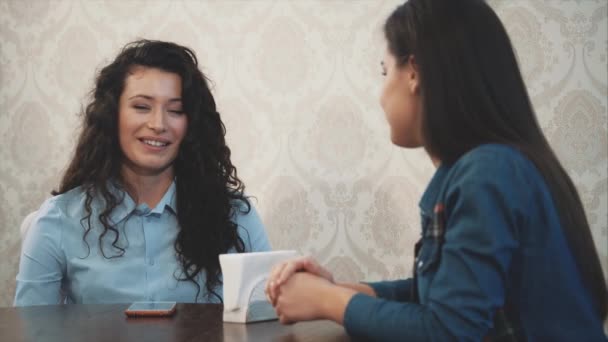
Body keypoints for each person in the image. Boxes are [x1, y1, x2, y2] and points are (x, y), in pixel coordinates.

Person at [265, 0, 608, 340]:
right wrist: (334, 289)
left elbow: (446, 330)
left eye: (385, 72)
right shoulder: (499, 166)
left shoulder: (487, 174)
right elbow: (440, 296)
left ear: (414, 72)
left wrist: (329, 301)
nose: (381, 95)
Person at [15, 40, 271, 306]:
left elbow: (268, 324)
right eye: (141, 107)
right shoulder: (56, 220)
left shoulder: (236, 216)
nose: (158, 124)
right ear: (112, 115)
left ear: (191, 124)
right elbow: (32, 330)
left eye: (175, 110)